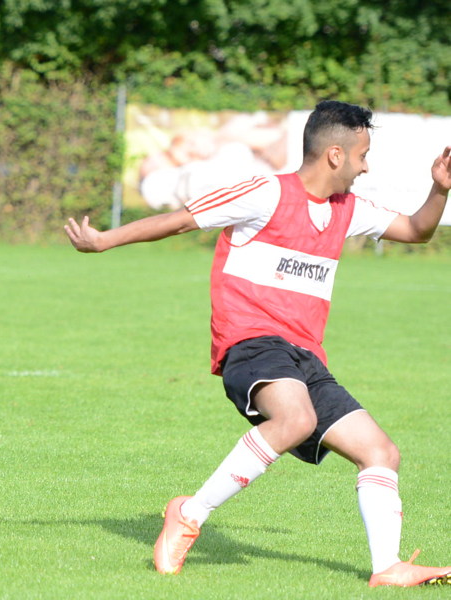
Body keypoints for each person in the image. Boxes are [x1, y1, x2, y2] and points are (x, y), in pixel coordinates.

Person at [65, 100, 451, 587]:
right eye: (362, 156)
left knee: (381, 452)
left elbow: (416, 230)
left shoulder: (347, 210)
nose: (365, 167)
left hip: (304, 357)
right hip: (251, 343)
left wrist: (440, 188)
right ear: (335, 155)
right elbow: (183, 219)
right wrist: (104, 240)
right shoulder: (266, 193)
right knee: (296, 419)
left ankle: (387, 567)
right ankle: (189, 514)